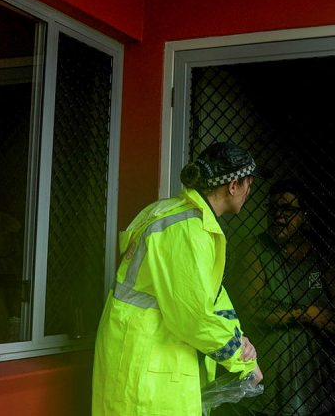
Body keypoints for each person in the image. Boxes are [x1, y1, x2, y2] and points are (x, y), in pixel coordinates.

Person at [92, 141, 264, 416]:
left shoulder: (178, 216)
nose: (249, 192)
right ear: (233, 185)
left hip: (146, 358)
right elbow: (193, 315)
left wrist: (239, 339)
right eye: (248, 184)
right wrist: (240, 357)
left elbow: (210, 296)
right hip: (148, 368)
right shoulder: (187, 230)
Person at [226, 179, 335, 415]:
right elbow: (249, 312)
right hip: (272, 376)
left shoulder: (317, 254)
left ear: (304, 215)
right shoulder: (256, 250)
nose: (278, 216)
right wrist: (305, 314)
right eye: (273, 209)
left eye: (287, 209)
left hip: (314, 379)